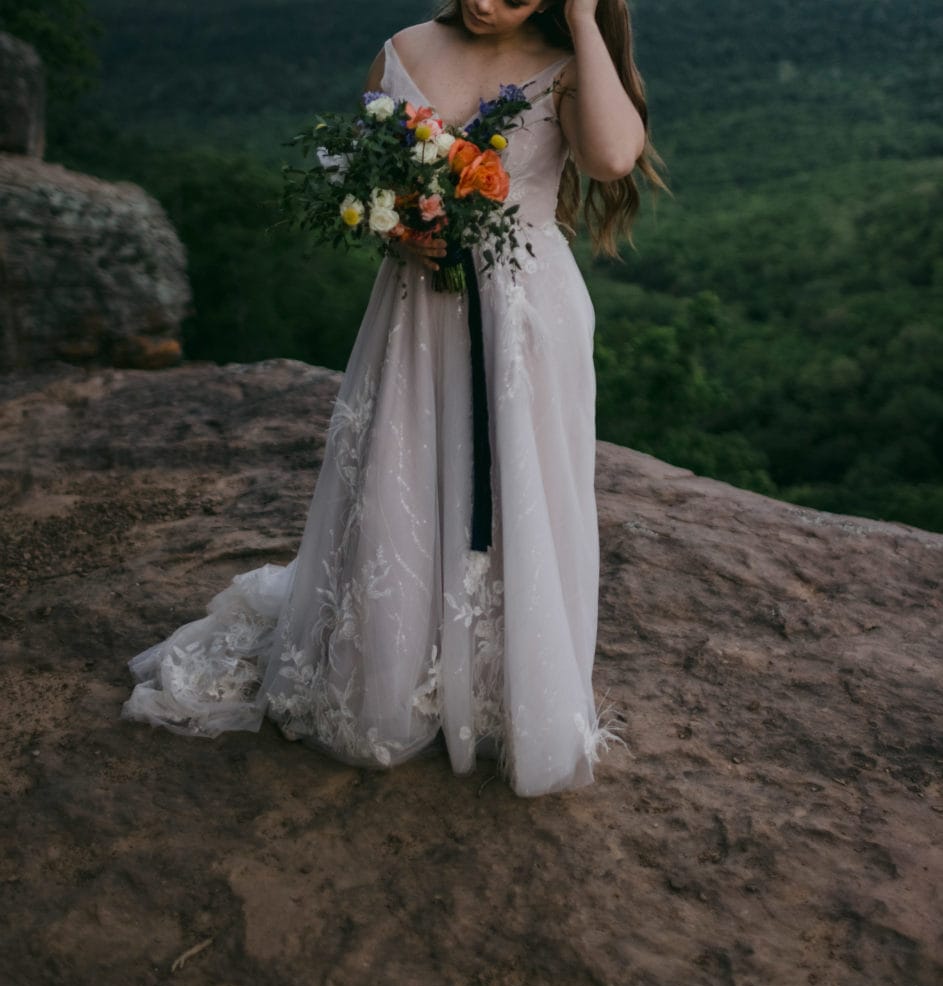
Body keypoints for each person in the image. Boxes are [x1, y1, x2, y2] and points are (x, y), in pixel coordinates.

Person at [122, 0, 667, 797]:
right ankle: (391, 669)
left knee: (521, 492)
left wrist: (586, 22)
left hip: (522, 318)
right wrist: (398, 230)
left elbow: (613, 158)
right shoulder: (404, 48)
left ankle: (498, 685)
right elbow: (369, 181)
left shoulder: (568, 60)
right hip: (416, 307)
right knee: (400, 474)